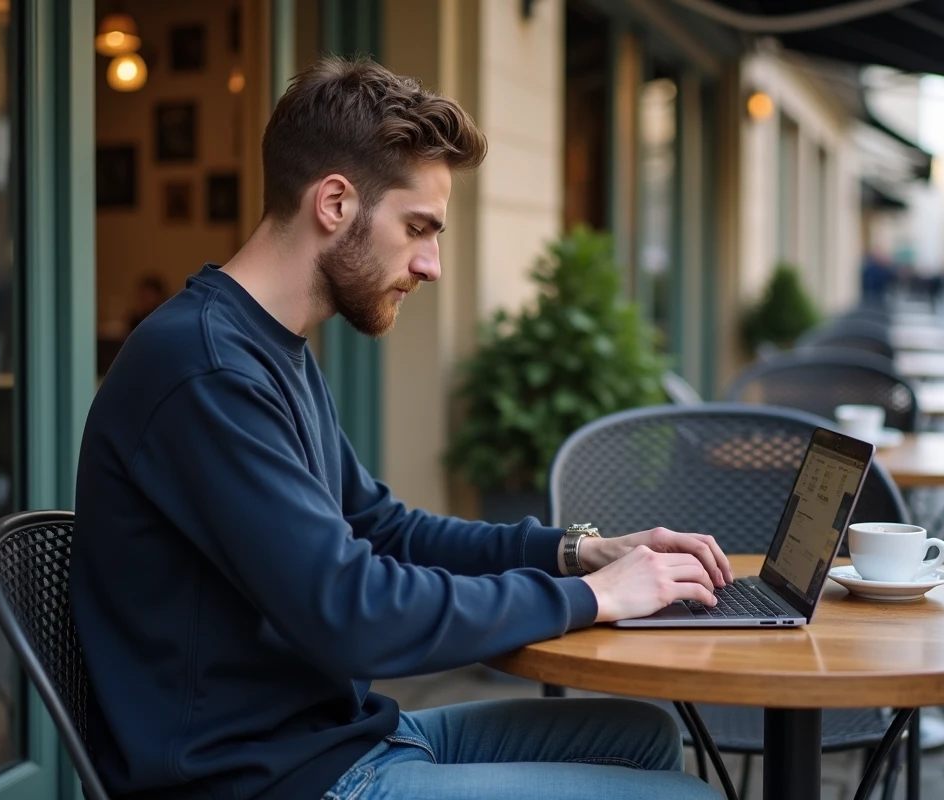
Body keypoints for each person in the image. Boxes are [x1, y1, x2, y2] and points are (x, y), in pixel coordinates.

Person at [71, 57, 730, 800]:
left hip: (334, 736)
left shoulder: (270, 349)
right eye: (418, 228)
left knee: (639, 737)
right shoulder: (206, 369)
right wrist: (599, 599)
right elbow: (352, 610)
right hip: (263, 777)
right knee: (688, 799)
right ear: (335, 202)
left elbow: (384, 530)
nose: (432, 264)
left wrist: (578, 554)